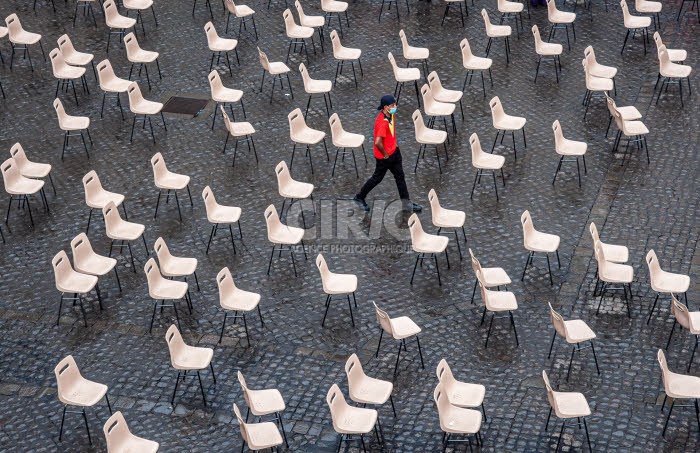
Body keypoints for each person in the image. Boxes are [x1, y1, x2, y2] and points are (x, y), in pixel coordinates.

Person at [354, 95, 422, 213]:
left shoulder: (390, 114)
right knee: (377, 178)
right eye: (392, 105)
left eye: (395, 104)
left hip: (394, 152)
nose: (395, 107)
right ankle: (360, 196)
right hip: (385, 157)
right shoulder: (382, 123)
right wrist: (385, 154)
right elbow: (378, 142)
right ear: (385, 107)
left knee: (400, 176)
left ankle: (406, 203)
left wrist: (394, 146)